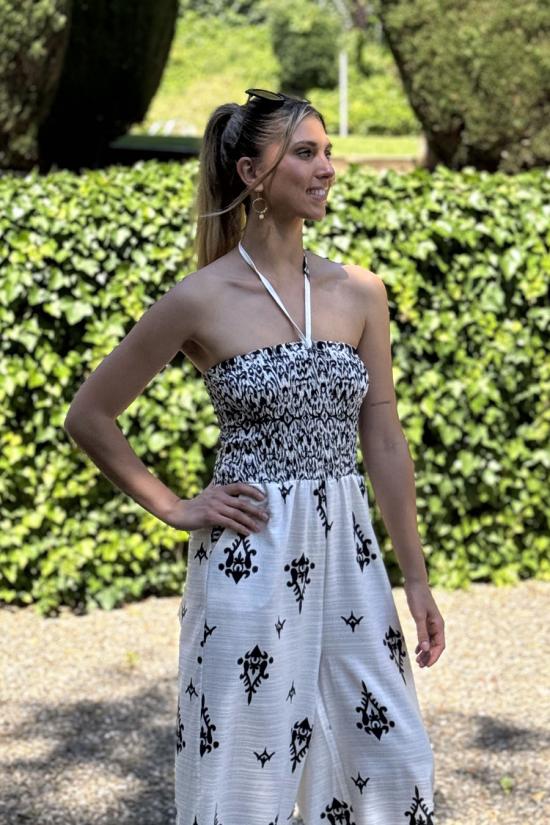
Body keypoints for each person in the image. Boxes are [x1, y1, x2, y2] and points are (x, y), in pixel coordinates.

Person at [64, 88, 445, 825]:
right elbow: (90, 415)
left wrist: (417, 578)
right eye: (305, 152)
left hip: (349, 560)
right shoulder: (200, 298)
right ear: (251, 173)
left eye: (328, 152)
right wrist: (176, 506)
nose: (326, 168)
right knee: (241, 773)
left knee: (392, 762)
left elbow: (384, 439)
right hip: (251, 554)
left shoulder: (361, 292)